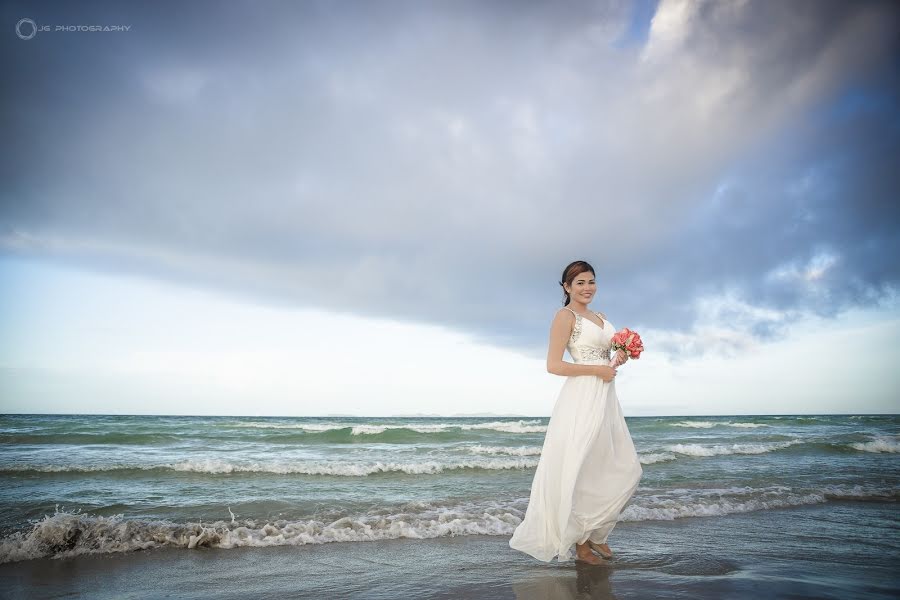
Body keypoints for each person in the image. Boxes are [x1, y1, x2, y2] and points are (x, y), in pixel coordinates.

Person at [508, 260, 644, 565]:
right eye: (580, 282)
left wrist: (618, 357)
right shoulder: (564, 317)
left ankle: (595, 534)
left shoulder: (601, 317)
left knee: (622, 467)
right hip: (580, 397)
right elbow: (554, 365)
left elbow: (605, 357)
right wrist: (598, 369)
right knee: (581, 468)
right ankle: (581, 544)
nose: (587, 288)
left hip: (606, 397)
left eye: (591, 281)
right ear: (567, 287)